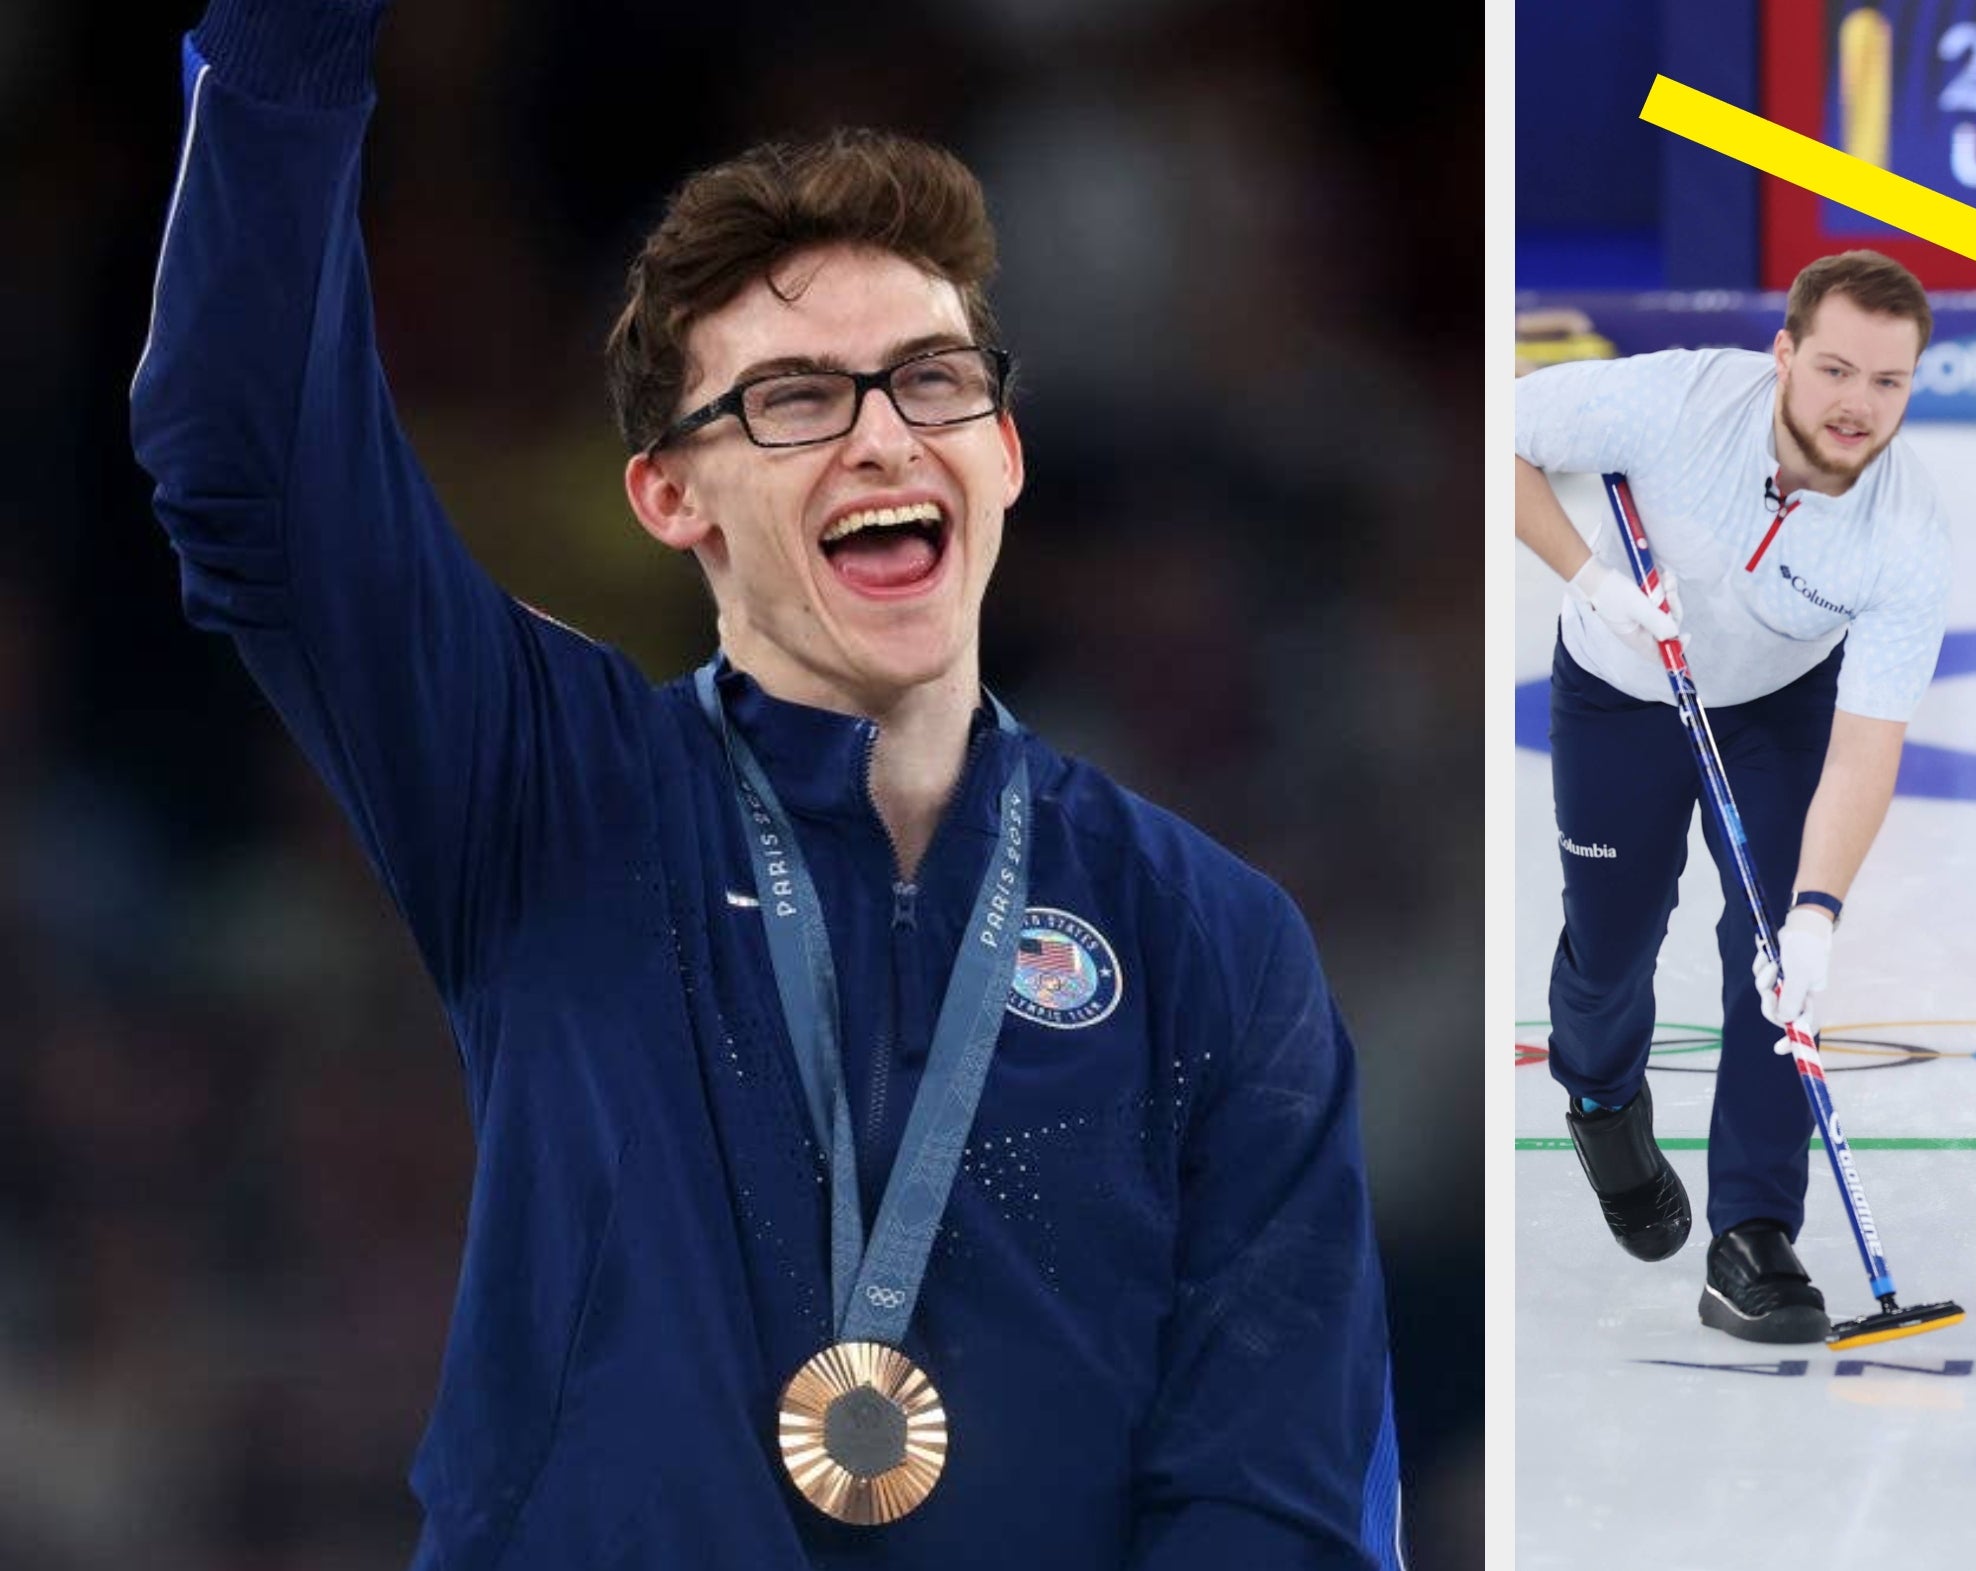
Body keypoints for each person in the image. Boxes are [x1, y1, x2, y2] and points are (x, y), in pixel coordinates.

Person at [127, 1, 1400, 1562]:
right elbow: (243, 456)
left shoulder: (1210, 935)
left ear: (1001, 446)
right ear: (670, 495)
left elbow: (1273, 1496)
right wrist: (290, 37)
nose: (880, 436)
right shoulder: (550, 787)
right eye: (794, 398)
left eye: (930, 380)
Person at [1513, 251, 1950, 1344]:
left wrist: (1817, 915)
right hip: (1620, 686)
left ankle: (1754, 1232)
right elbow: (1496, 431)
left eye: (1887, 383)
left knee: (1770, 962)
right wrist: (1586, 575)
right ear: (1785, 354)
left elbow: (1867, 743)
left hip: (1776, 705)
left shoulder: (1906, 534)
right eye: (1836, 369)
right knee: (1612, 945)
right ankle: (1603, 1100)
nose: (1857, 404)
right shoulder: (1675, 401)